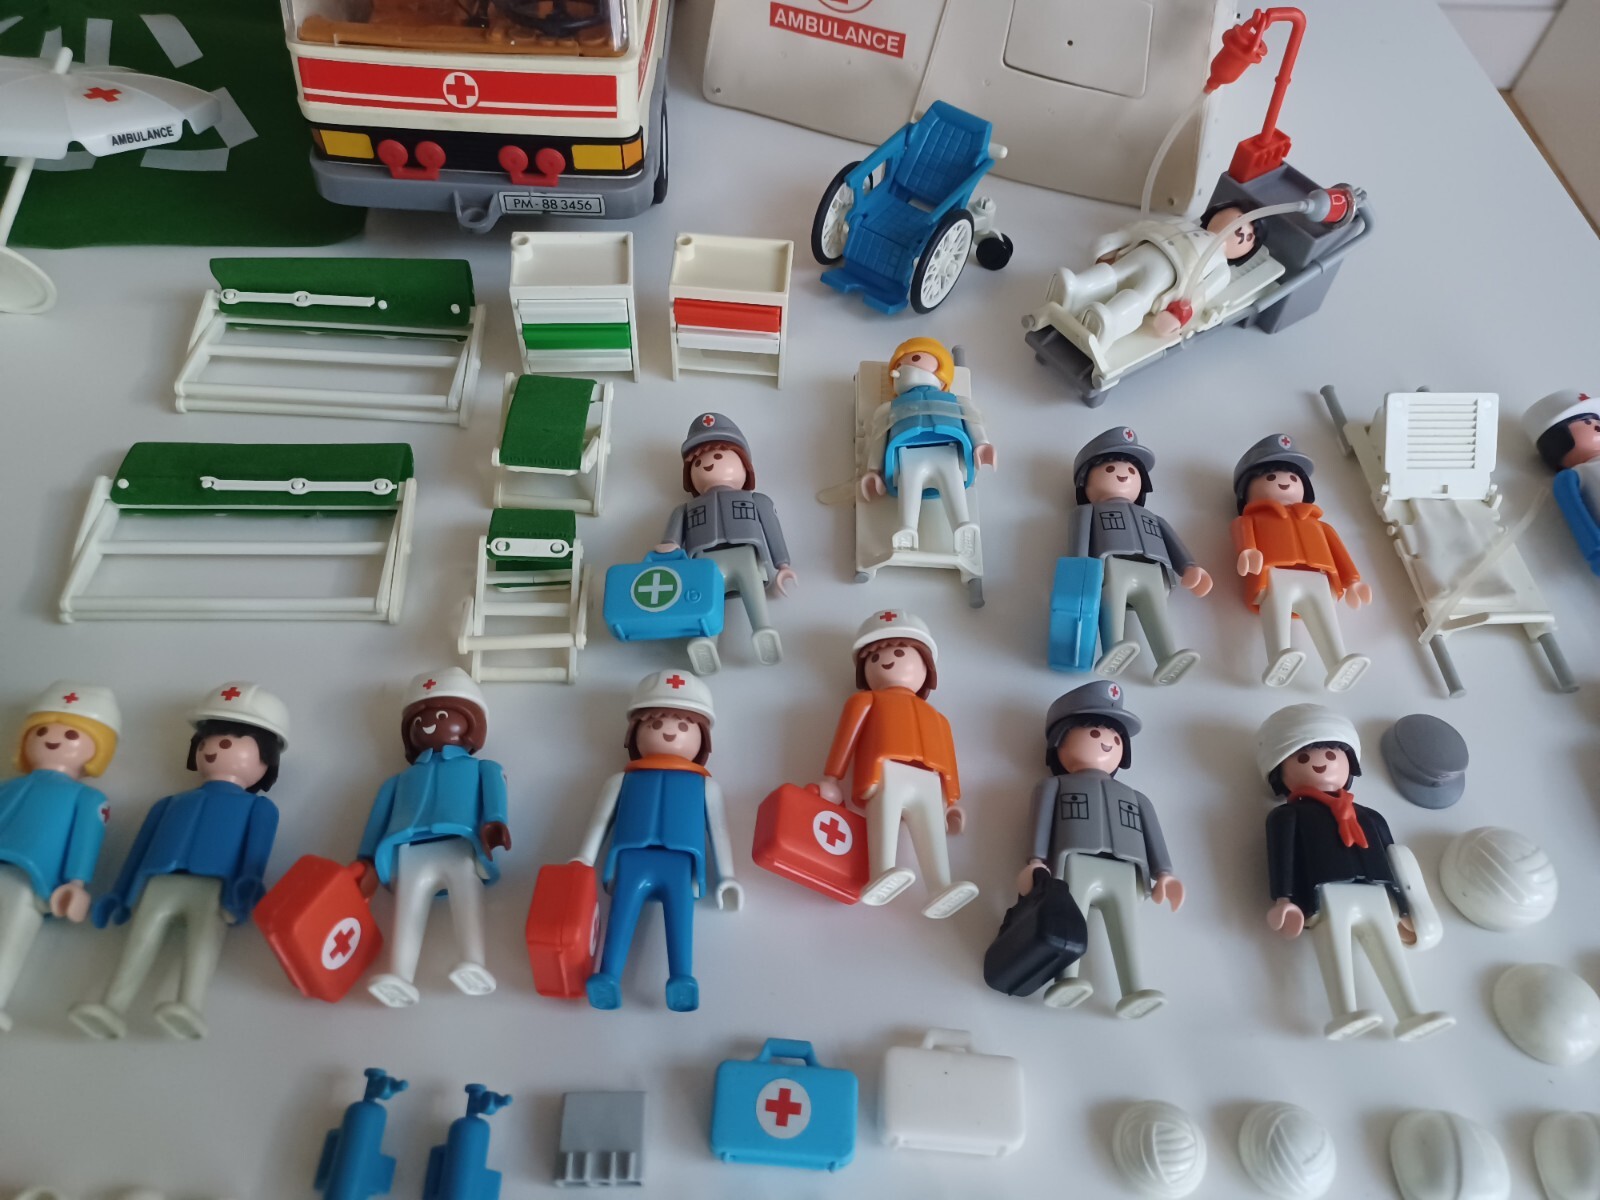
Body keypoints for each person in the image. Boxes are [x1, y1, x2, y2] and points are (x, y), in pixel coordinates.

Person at [71, 682, 286, 1041]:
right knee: (138, 941)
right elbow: (139, 850)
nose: (213, 749)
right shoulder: (169, 803)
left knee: (202, 945)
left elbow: (255, 857)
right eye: (206, 742)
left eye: (228, 743)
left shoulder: (259, 809)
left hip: (215, 887)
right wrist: (121, 893)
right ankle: (111, 1004)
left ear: (266, 760)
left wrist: (241, 895)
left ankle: (189, 1005)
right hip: (159, 880)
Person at [1257, 704, 1453, 1042]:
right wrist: (1284, 899)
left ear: (1349, 763)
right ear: (1279, 771)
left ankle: (1411, 1012)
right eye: (1302, 758)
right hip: (1325, 890)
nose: (1320, 763)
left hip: (1379, 890)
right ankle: (1343, 1011)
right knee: (1334, 949)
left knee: (1390, 952)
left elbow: (1393, 858)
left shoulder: (1370, 816)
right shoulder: (1287, 816)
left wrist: (1406, 905)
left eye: (1331, 754)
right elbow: (1282, 856)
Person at [574, 671, 741, 1013]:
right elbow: (601, 820)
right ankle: (607, 976)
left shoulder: (705, 786)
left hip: (681, 861)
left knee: (680, 919)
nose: (669, 732)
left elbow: (718, 830)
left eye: (684, 726)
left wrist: (727, 876)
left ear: (702, 738)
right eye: (655, 724)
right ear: (634, 733)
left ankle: (682, 977)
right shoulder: (621, 780)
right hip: (631, 856)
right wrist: (584, 857)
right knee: (621, 915)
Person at [1018, 682, 1183, 1019]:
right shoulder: (1054, 786)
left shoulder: (1135, 796)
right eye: (1094, 733)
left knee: (1127, 930)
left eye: (1116, 738)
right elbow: (1041, 823)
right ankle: (1067, 980)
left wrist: (1164, 873)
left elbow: (1153, 835)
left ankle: (1134, 988)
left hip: (1127, 870)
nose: (1107, 742)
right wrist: (1035, 861)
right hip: (1074, 862)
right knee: (1069, 922)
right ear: (1059, 740)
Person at [358, 668, 508, 1009]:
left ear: (470, 723)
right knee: (407, 909)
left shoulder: (482, 768)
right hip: (408, 848)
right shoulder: (398, 780)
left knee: (466, 899)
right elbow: (377, 819)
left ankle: (474, 962)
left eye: (442, 716)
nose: (428, 725)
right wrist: (365, 858)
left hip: (460, 843)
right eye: (419, 720)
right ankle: (399, 975)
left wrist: (497, 823)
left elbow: (495, 798)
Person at [816, 609, 977, 919]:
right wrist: (832, 777)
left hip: (930, 780)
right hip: (885, 771)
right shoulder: (865, 701)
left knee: (932, 831)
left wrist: (951, 800)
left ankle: (940, 886)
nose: (888, 661)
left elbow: (948, 758)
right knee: (885, 820)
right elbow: (846, 739)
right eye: (875, 658)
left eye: (901, 652)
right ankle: (882, 872)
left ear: (926, 667)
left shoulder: (938, 718)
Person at [0, 682, 119, 1033]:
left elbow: (85, 841)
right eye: (41, 731)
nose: (53, 740)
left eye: (71, 734)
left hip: (35, 880)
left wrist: (76, 883)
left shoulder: (89, 798)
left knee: (10, 939)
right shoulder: (10, 786)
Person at [1068, 426, 1211, 685]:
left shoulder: (1153, 518)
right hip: (1112, 564)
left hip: (1154, 569)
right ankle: (1113, 648)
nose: (1123, 475)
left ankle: (1167, 656)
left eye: (1132, 471)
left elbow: (1173, 543)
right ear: (1084, 482)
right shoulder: (1088, 512)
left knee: (1158, 611)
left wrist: (1189, 567)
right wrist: (1080, 574)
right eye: (1110, 469)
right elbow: (1079, 542)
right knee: (1113, 598)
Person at [1231, 433, 1371, 692]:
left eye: (1294, 478)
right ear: (1246, 491)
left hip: (1319, 576)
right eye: (1271, 478)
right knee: (1277, 609)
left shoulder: (1319, 524)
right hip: (1275, 573)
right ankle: (1278, 656)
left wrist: (1353, 581)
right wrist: (1248, 552)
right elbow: (1244, 537)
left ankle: (1338, 661)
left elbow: (1339, 552)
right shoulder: (1250, 519)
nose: (1285, 483)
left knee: (1326, 617)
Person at [659, 412, 796, 676]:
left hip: (745, 554)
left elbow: (772, 530)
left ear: (744, 466)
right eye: (699, 462)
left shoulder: (758, 500)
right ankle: (706, 641)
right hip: (705, 562)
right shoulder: (685, 509)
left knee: (751, 586)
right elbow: (671, 539)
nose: (709, 465)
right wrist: (669, 546)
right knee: (708, 601)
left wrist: (783, 564)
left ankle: (763, 629)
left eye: (719, 456)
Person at [1051, 203, 1263, 346]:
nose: (1240, 231)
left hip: (1171, 277)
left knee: (1141, 296)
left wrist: (1178, 316)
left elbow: (1199, 295)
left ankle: (1110, 321)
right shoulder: (1182, 223)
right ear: (1218, 211)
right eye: (1239, 218)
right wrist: (1118, 238)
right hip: (1147, 248)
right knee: (1112, 272)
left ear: (1247, 251)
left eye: (1249, 236)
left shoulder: (1221, 269)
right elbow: (1145, 227)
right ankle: (1075, 289)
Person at [860, 337, 995, 560]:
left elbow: (973, 420)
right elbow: (878, 437)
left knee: (952, 477)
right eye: (898, 365)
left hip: (949, 448)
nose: (898, 370)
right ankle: (907, 528)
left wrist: (982, 444)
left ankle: (963, 525)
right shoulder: (888, 408)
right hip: (906, 452)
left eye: (913, 359)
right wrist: (874, 470)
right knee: (909, 480)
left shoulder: (956, 399)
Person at [1522, 388, 1600, 573]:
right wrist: (1595, 551)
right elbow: (1577, 514)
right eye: (1587, 422)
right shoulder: (1575, 476)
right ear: (1558, 440)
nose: (1597, 426)